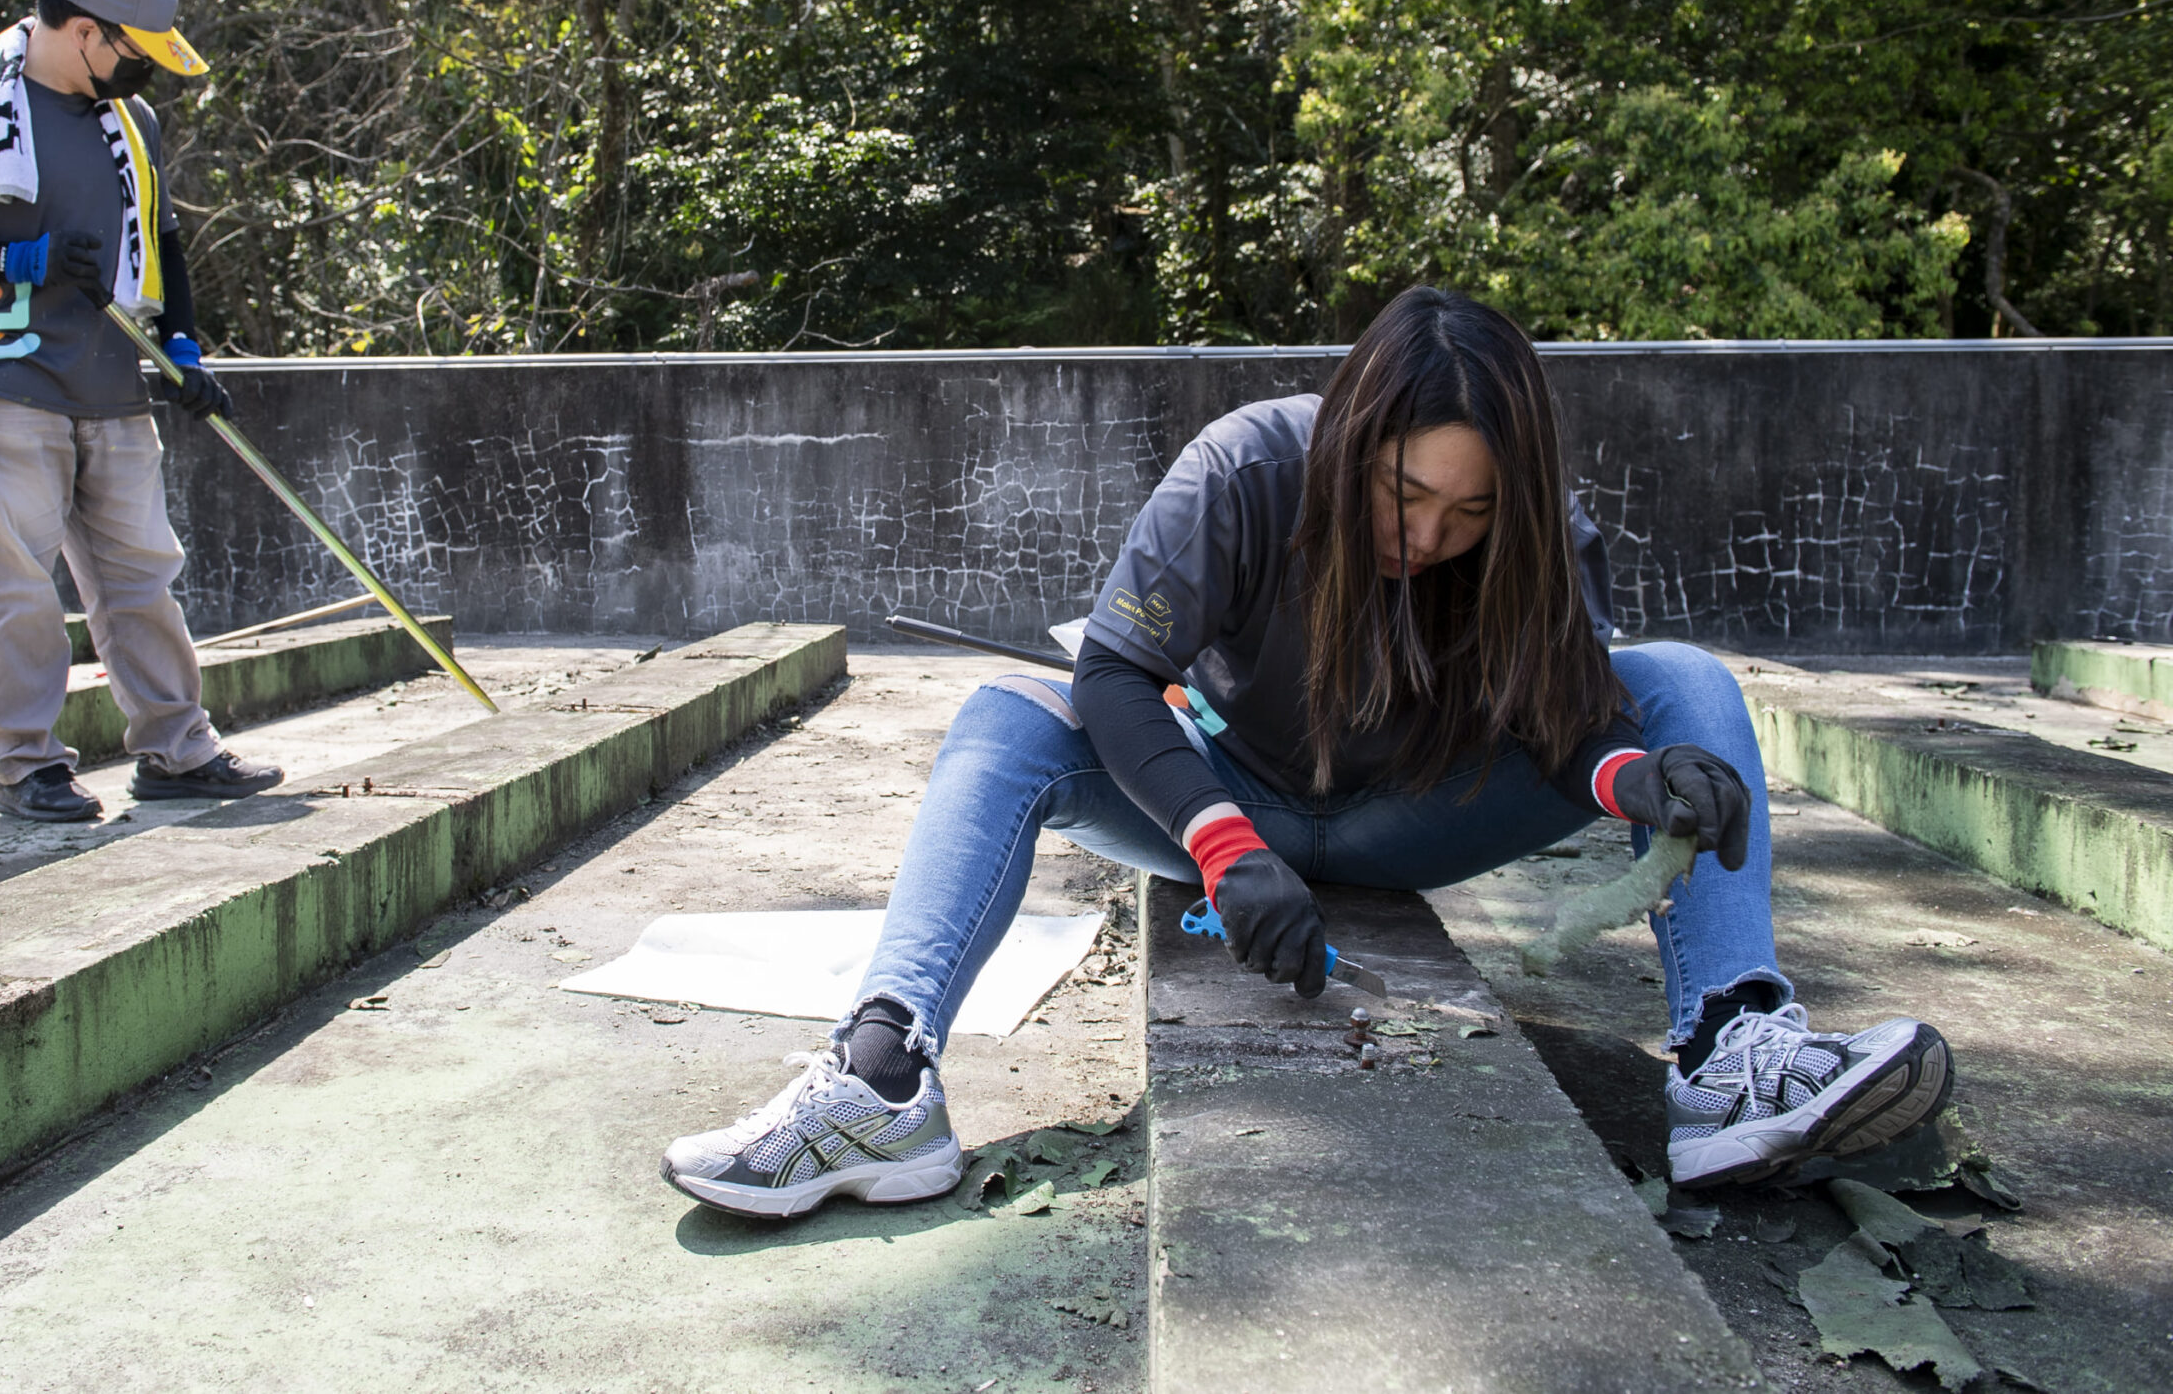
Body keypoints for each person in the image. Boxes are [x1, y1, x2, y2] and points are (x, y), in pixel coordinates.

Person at [661, 288, 1954, 1218]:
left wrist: (1635, 779)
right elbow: (1116, 673)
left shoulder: (1538, 530)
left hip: (1419, 813)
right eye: (1405, 493)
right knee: (1004, 722)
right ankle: (882, 1078)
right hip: (1229, 796)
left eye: (1472, 511)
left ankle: (1735, 1049)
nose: (1433, 533)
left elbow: (1572, 721)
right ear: (1350, 437)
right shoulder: (1244, 466)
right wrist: (1221, 841)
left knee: (1682, 682)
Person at [0, 0, 282, 823]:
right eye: (135, 56)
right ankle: (27, 766)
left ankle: (177, 748)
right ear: (87, 32)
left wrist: (186, 350)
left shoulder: (130, 125)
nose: (145, 77)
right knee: (14, 580)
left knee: (141, 572)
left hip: (111, 377)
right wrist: (18, 257)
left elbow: (161, 240)